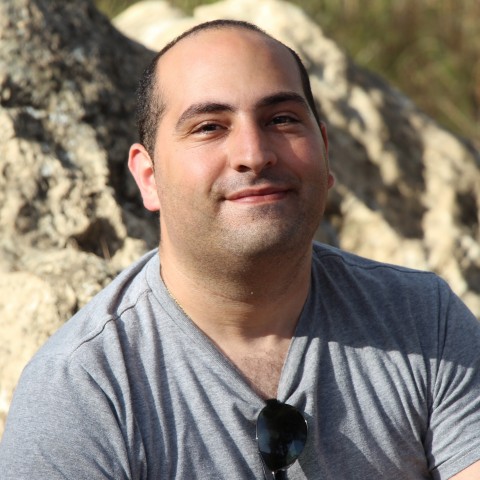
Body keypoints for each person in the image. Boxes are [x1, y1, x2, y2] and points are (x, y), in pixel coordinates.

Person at [1, 19, 480, 480]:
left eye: (282, 119)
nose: (254, 154)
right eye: (209, 127)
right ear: (149, 178)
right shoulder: (83, 389)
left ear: (325, 150)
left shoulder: (423, 321)